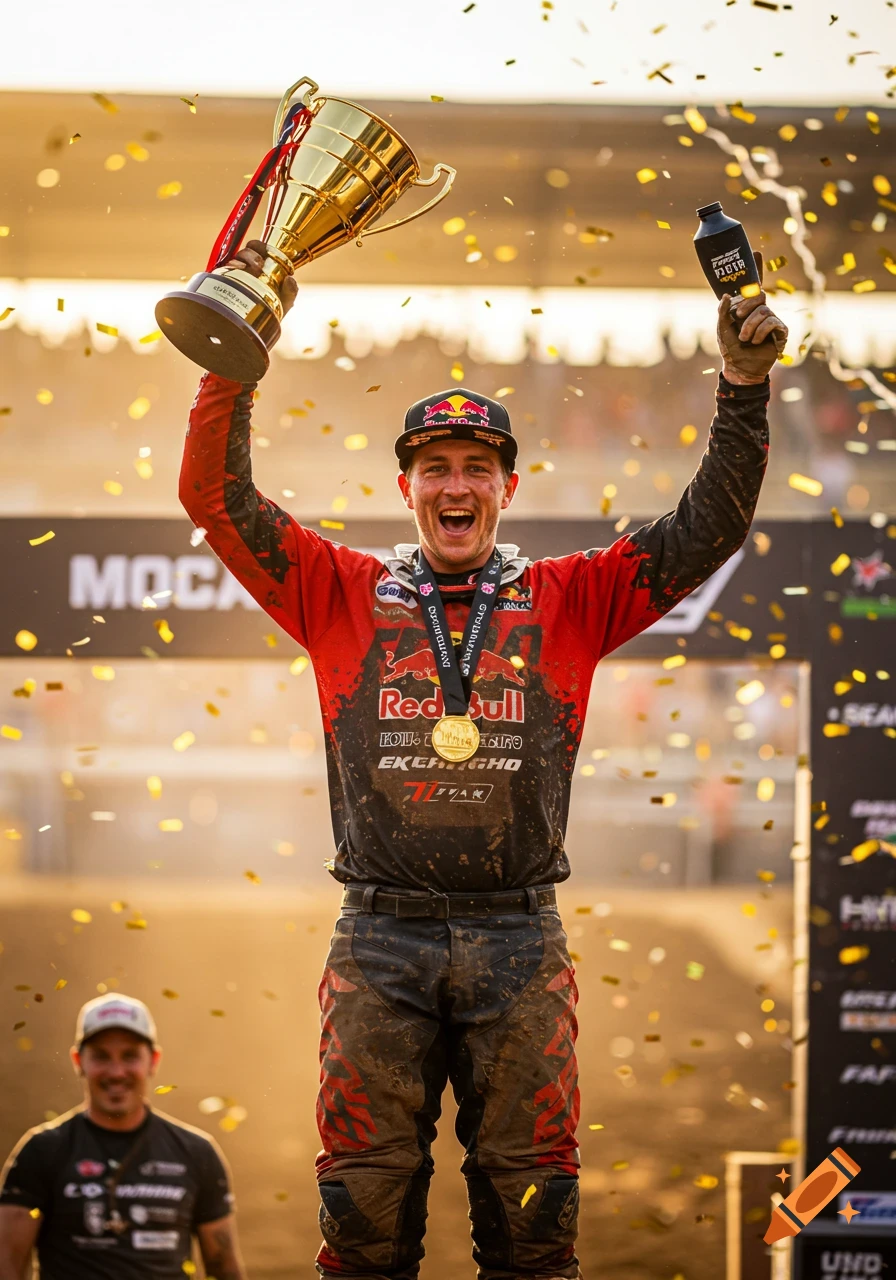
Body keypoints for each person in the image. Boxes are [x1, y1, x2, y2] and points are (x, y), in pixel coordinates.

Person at [178, 238, 787, 1280]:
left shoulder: (565, 595)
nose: (454, 486)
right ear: (406, 487)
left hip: (520, 941)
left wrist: (741, 386)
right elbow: (216, 500)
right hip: (378, 938)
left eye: (475, 468)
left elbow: (707, 527)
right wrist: (229, 360)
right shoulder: (339, 588)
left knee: (533, 1225)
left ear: (507, 484)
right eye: (434, 469)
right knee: (361, 1224)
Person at [0, 993, 246, 1280]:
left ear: (153, 1060)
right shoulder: (42, 1150)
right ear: (78, 1061)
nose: (116, 1072)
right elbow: (7, 1265)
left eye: (130, 1056)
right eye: (101, 1056)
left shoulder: (197, 1152)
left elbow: (224, 1268)